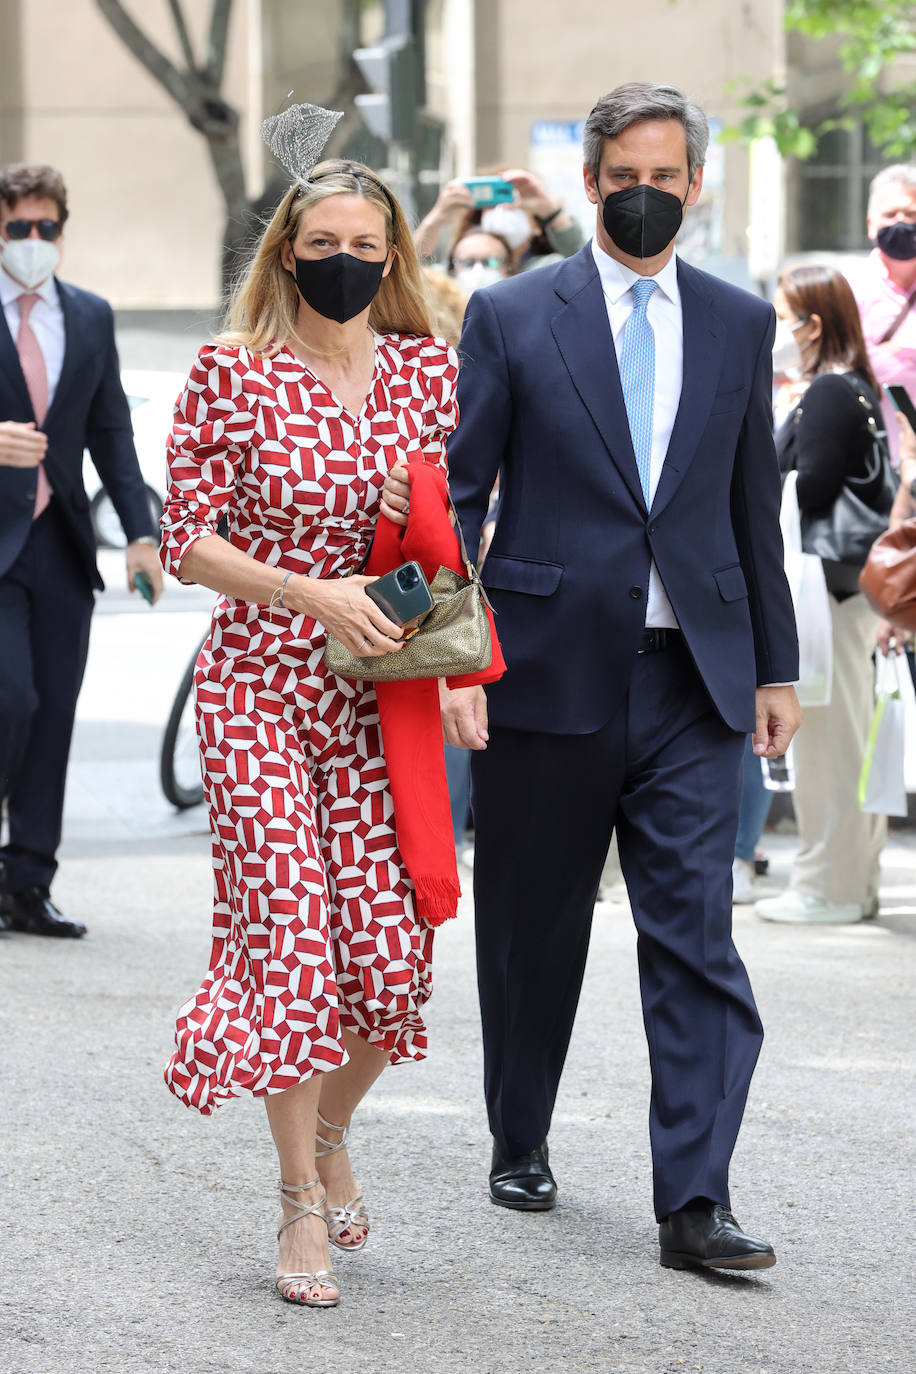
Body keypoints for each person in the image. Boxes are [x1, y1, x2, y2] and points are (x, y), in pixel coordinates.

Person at [426, 81, 801, 1272]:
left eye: (666, 173)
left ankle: (694, 1199)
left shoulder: (741, 326)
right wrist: (455, 657)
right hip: (544, 670)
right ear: (589, 183)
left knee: (696, 935)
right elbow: (461, 492)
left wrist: (776, 670)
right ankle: (519, 1132)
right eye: (623, 174)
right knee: (533, 929)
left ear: (696, 183)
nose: (645, 193)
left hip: (695, 680)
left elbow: (754, 508)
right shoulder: (515, 316)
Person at [159, 138, 461, 1309]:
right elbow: (186, 538)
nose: (341, 261)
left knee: (393, 963)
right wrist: (305, 587)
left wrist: (414, 517)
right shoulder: (229, 371)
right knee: (291, 935)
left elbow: (445, 547)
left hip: (381, 696)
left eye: (363, 246)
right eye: (321, 244)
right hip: (256, 687)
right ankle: (296, 1201)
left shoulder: (426, 374)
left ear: (392, 258)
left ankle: (331, 1128)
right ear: (287, 251)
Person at [0, 161, 162, 940]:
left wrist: (140, 534)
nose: (33, 242)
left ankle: (28, 881)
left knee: (55, 715)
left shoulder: (90, 316)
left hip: (60, 545)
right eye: (16, 228)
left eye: (46, 228)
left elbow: (111, 433)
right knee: (11, 701)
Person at [755, 266, 893, 925]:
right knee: (843, 737)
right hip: (842, 592)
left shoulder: (831, 392)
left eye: (781, 316)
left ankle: (829, 886)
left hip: (826, 592)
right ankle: (847, 881)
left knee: (830, 741)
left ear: (811, 325)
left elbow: (806, 492)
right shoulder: (848, 387)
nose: (773, 329)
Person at [848, 164, 916, 465]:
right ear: (870, 224)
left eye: (911, 214)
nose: (901, 222)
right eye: (890, 215)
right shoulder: (849, 288)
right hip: (873, 464)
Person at [414, 167, 583, 273]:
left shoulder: (547, 269)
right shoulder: (461, 267)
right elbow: (408, 274)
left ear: (537, 226)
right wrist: (434, 221)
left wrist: (550, 212)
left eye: (512, 201)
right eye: (492, 203)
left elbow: (586, 268)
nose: (502, 208)